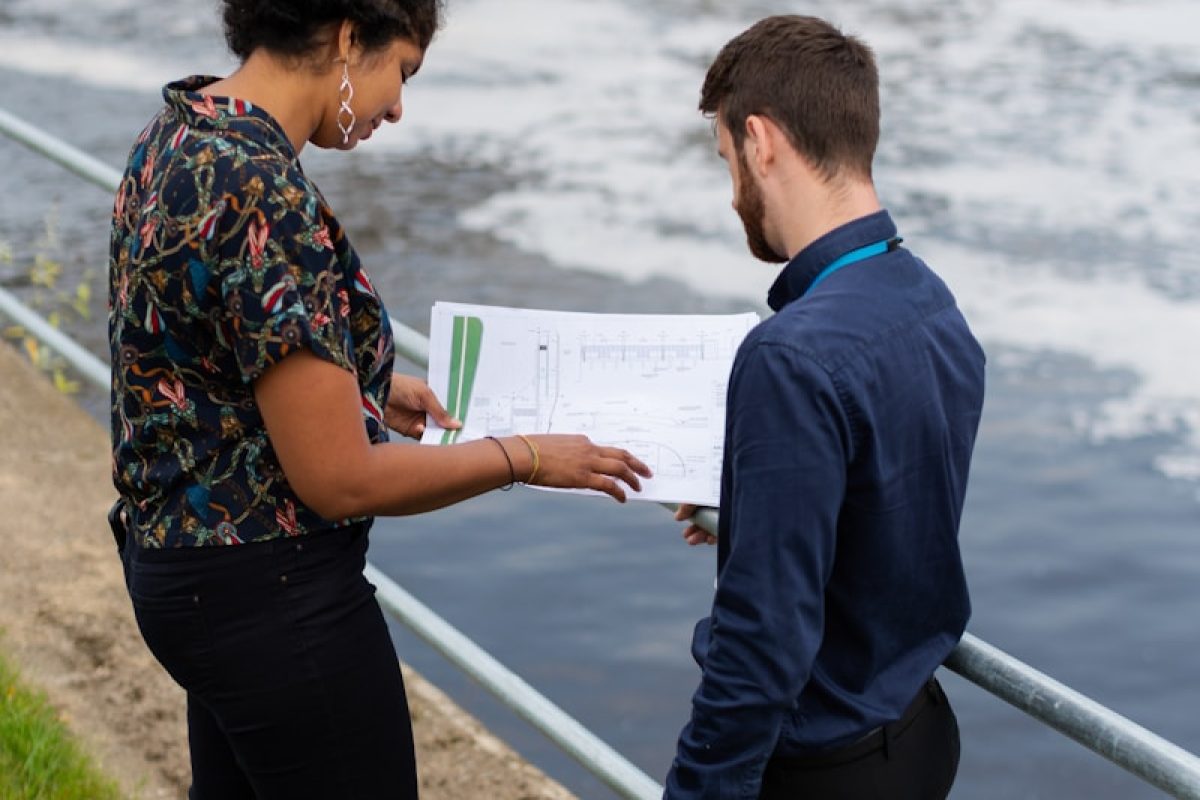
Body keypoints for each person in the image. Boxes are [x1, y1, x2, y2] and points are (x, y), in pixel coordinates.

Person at [107, 2, 651, 798]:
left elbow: (190, 357)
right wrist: (525, 456)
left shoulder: (179, 134)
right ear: (348, 36)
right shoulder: (264, 191)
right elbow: (341, 481)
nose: (398, 105)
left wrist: (357, 383)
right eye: (402, 69)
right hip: (273, 598)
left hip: (181, 576)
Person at [666, 15, 986, 800]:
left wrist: (697, 790)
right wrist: (754, 505)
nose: (733, 191)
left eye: (727, 161)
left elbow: (761, 644)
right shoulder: (931, 303)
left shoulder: (788, 354)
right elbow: (888, 510)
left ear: (762, 141)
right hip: (919, 731)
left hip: (822, 769)